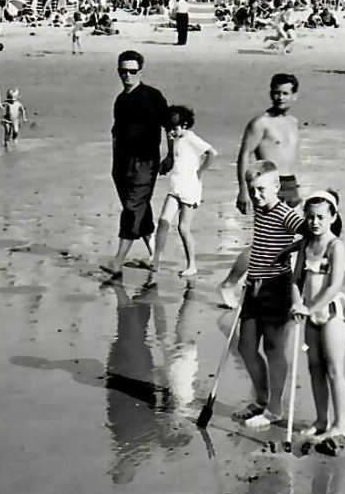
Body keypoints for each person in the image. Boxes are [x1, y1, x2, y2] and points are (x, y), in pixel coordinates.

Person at [231, 161, 306, 431]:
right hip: (254, 286)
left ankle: (274, 408)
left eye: (262, 190)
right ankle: (261, 399)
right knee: (245, 346)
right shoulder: (260, 210)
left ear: (276, 187)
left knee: (274, 349)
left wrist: (288, 251)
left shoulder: (285, 213)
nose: (256, 196)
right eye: (253, 190)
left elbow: (310, 233)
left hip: (278, 287)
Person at [219, 73, 303, 308]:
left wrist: (297, 190)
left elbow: (291, 156)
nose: (280, 97)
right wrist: (243, 190)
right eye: (276, 92)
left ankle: (278, 287)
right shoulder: (260, 123)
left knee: (285, 242)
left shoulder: (293, 122)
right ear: (270, 93)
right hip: (265, 189)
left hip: (289, 184)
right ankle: (229, 284)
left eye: (285, 93)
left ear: (294, 95)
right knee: (263, 244)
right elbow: (244, 155)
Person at [289, 190, 345, 453]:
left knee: (333, 368)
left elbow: (334, 286)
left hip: (332, 312)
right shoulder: (305, 245)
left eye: (321, 217)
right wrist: (297, 303)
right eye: (311, 217)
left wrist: (312, 308)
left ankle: (341, 423)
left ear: (333, 217)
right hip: (309, 311)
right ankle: (321, 419)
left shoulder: (335, 246)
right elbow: (296, 280)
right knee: (314, 367)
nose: (315, 222)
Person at [103, 49, 169, 279]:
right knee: (141, 208)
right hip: (121, 163)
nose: (127, 75)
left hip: (145, 162)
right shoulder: (121, 99)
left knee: (132, 208)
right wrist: (114, 163)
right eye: (123, 71)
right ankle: (155, 257)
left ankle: (118, 261)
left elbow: (170, 126)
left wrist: (170, 155)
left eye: (132, 71)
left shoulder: (153, 96)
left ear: (140, 70)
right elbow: (116, 132)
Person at [151, 104, 215, 278]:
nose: (171, 132)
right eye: (169, 128)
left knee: (183, 227)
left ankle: (192, 265)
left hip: (190, 188)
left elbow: (212, 153)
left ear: (185, 125)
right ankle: (155, 259)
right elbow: (173, 152)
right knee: (163, 221)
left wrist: (200, 172)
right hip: (175, 186)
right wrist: (168, 158)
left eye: (175, 128)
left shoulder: (191, 138)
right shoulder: (175, 137)